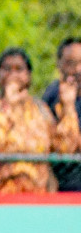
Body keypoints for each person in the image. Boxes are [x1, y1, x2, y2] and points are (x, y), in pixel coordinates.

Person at [0, 47, 81, 193]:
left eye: (19, 69)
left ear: (29, 75)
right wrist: (8, 107)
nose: (13, 75)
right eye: (7, 69)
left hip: (36, 198)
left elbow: (66, 149)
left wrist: (68, 106)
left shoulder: (40, 109)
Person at [41, 37, 81, 192]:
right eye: (70, 63)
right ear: (59, 64)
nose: (77, 69)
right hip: (59, 184)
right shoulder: (51, 96)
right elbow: (51, 146)